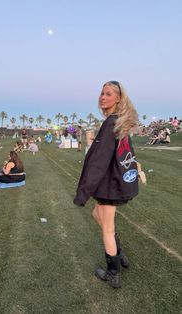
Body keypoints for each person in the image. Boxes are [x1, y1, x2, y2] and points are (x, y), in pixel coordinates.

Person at [73, 81, 139, 289]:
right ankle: (118, 253)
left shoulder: (112, 123)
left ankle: (113, 273)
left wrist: (83, 193)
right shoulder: (117, 121)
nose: (103, 97)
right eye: (102, 93)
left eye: (108, 94)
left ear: (118, 98)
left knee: (107, 229)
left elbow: (99, 162)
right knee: (97, 215)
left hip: (110, 184)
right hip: (113, 183)